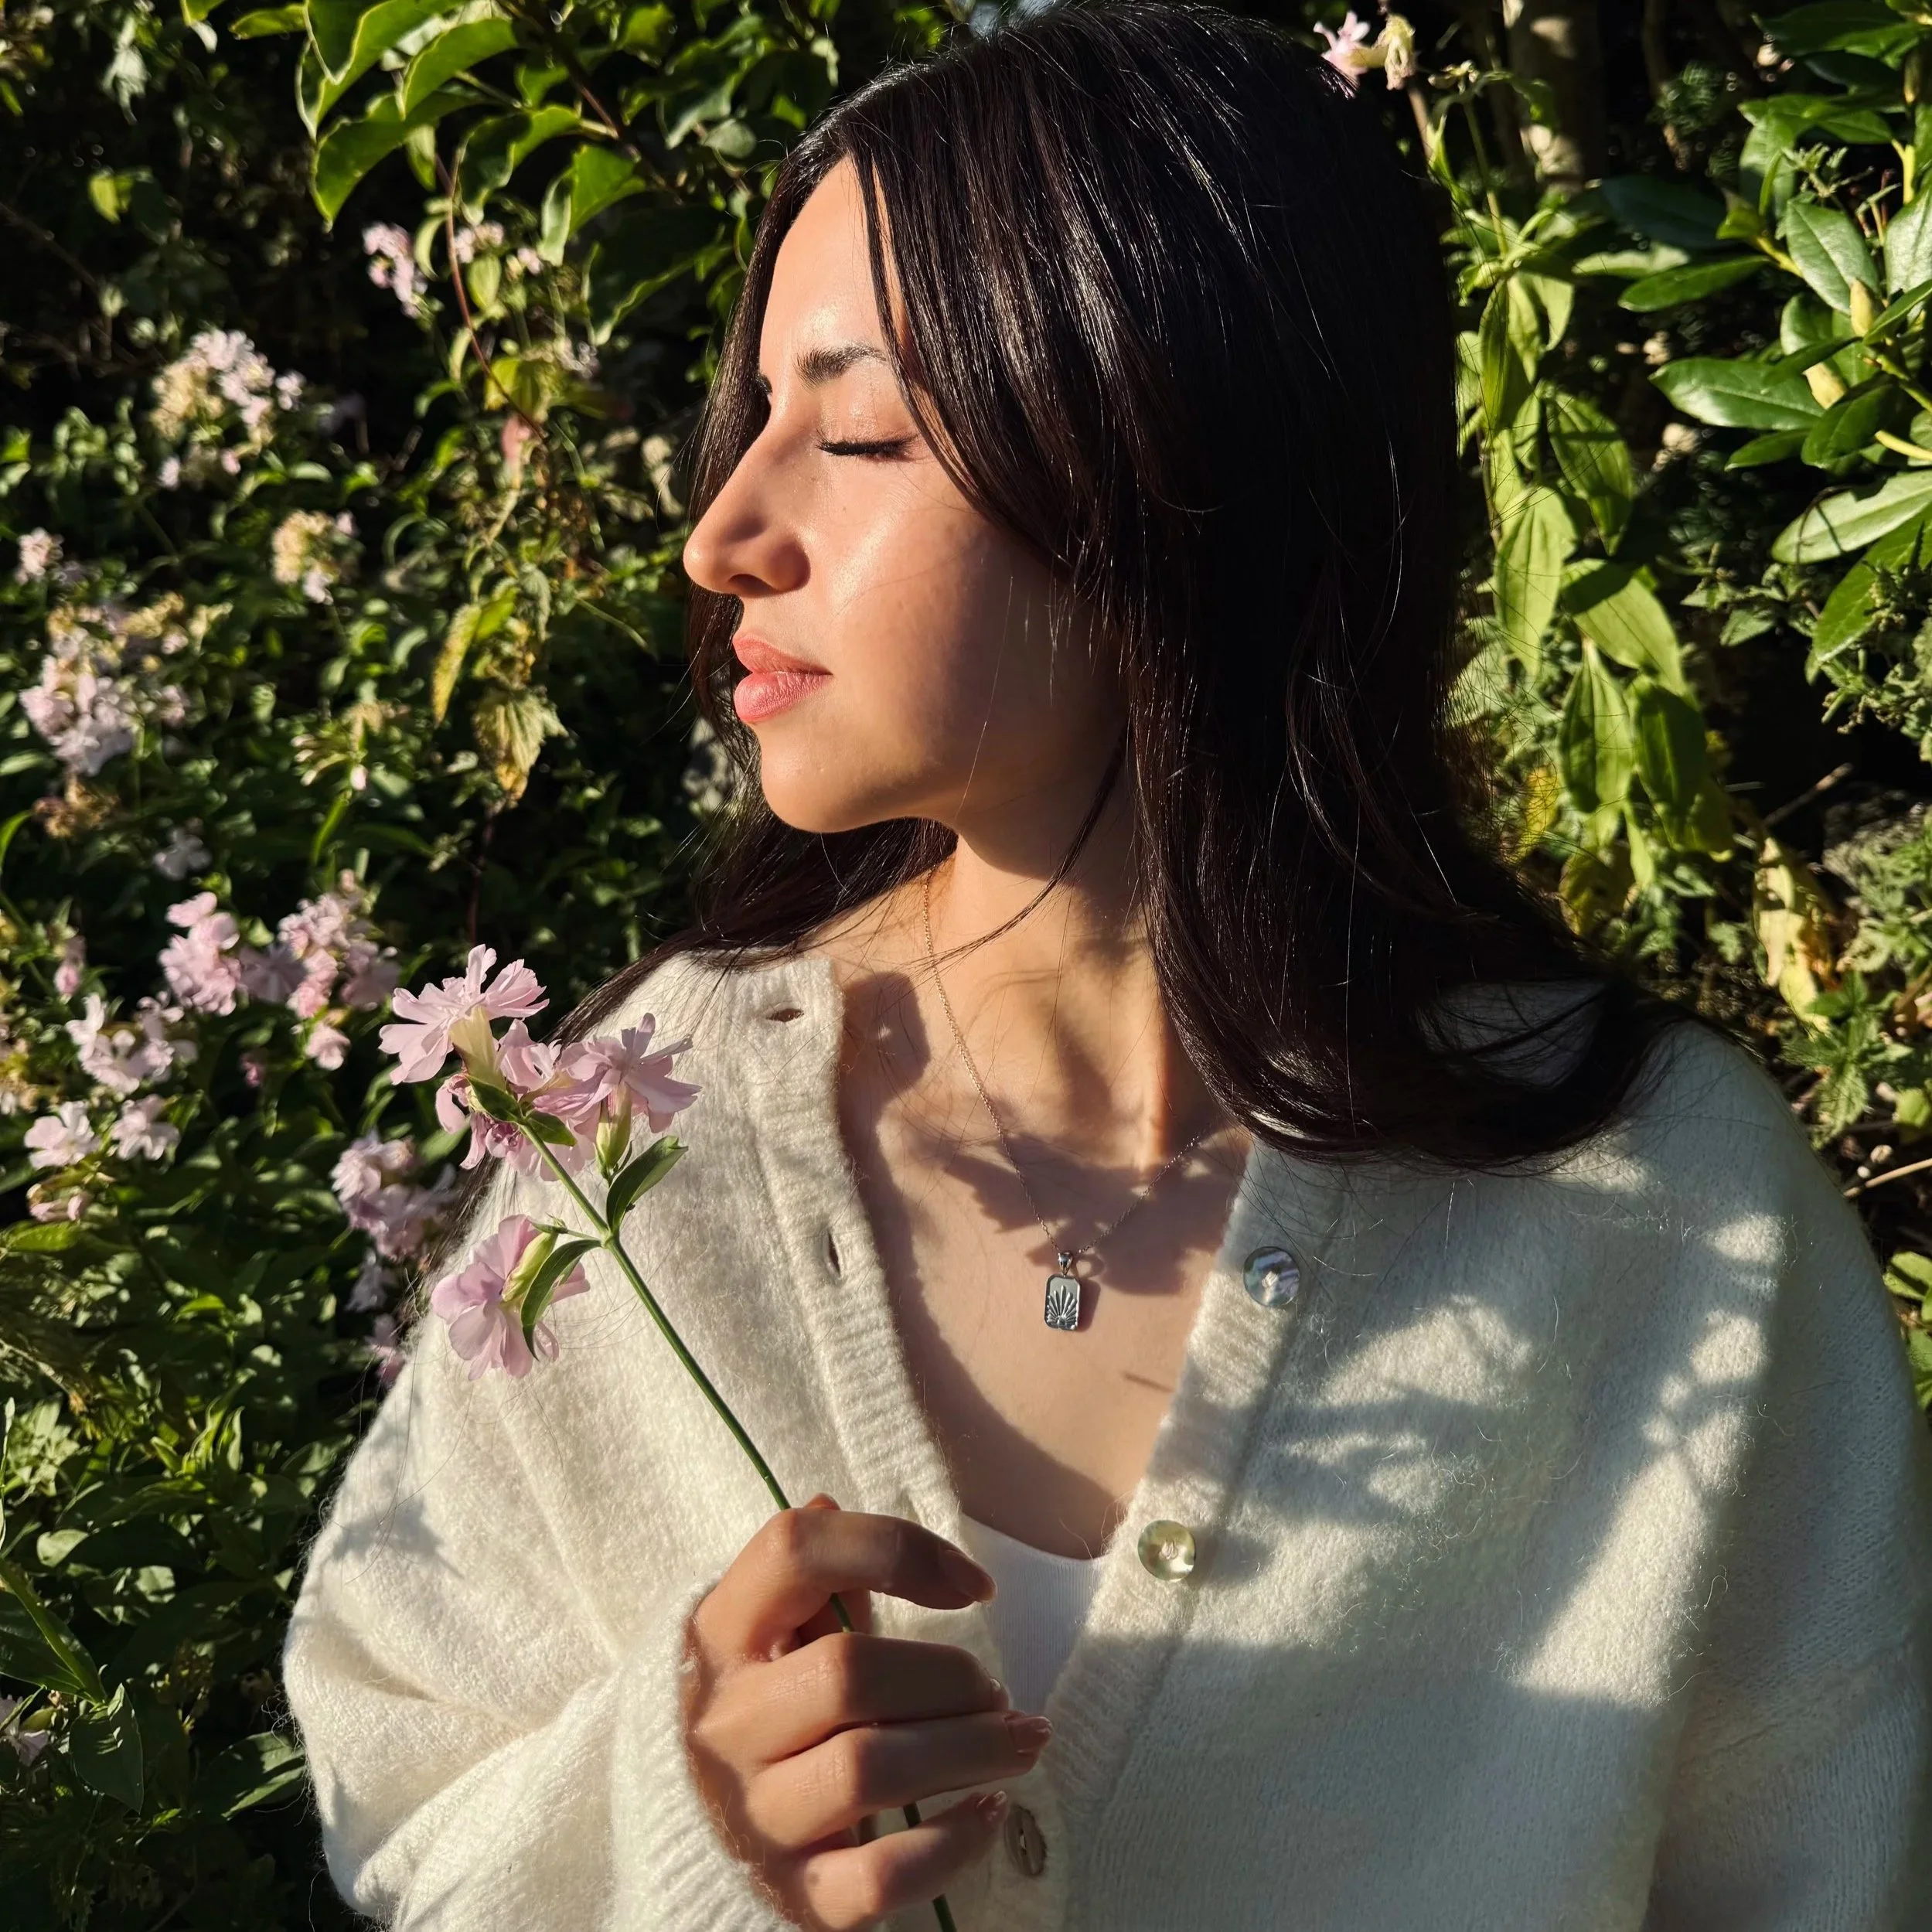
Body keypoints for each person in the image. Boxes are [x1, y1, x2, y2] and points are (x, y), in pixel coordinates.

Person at [281, 5, 1932, 1927]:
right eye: (752, 424)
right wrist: (685, 1816)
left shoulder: (1665, 1221)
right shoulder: (648, 1131)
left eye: (861, 429)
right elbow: (400, 1775)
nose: (723, 533)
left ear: (1174, 471)